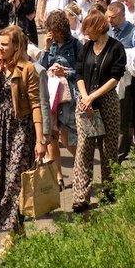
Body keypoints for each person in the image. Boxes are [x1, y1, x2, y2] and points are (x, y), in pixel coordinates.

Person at [0, 26, 45, 249]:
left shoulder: (27, 68)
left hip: (21, 130)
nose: (0, 48)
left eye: (5, 44)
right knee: (0, 182)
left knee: (15, 184)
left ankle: (11, 238)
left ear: (16, 46)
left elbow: (35, 104)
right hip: (0, 130)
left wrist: (40, 140)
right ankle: (18, 235)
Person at [72, 10, 126, 213]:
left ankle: (108, 190)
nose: (86, 34)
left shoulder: (116, 48)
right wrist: (86, 97)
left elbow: (115, 76)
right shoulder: (86, 48)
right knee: (84, 149)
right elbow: (79, 73)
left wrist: (94, 96)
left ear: (99, 28)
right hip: (86, 105)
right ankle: (80, 197)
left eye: (88, 29)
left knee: (108, 148)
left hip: (107, 102)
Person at [39, 10, 82, 188]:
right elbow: (40, 69)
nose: (54, 34)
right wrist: (46, 48)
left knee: (67, 137)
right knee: (52, 136)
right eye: (51, 30)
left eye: (56, 30)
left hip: (68, 97)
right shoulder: (52, 44)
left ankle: (82, 165)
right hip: (50, 95)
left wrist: (66, 72)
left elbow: (82, 71)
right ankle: (58, 177)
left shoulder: (75, 45)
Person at [105, 1, 135, 160]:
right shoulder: (108, 30)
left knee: (124, 116)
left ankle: (121, 152)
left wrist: (126, 55)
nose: (110, 20)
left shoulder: (134, 32)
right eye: (108, 17)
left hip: (128, 81)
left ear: (123, 15)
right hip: (110, 80)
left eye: (114, 17)